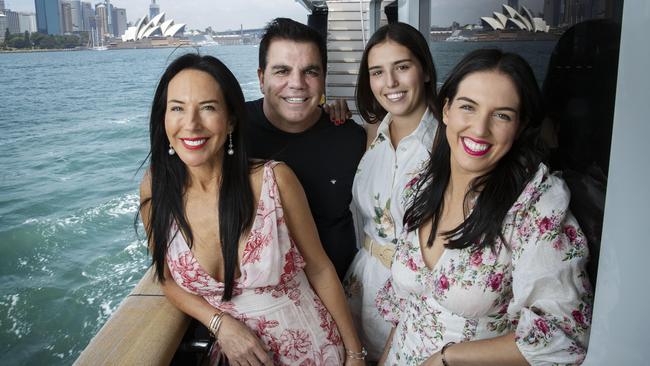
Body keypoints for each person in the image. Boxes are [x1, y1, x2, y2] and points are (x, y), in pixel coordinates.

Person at [138, 53, 365, 365]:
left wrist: (355, 353)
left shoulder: (274, 180)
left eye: (207, 108)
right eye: (177, 108)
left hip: (312, 350)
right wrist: (219, 323)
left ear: (230, 119)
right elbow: (166, 278)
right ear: (163, 118)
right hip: (234, 355)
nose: (190, 124)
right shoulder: (156, 189)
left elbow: (320, 268)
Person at [376, 49, 592, 365]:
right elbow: (405, 309)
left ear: (519, 126)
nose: (479, 129)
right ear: (446, 109)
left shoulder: (535, 206)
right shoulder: (419, 186)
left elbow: (563, 335)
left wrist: (447, 358)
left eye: (501, 115)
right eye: (468, 107)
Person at [342, 22, 439, 361]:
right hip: (363, 283)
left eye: (402, 67)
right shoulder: (373, 134)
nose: (390, 83)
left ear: (424, 70)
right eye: (377, 72)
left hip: (417, 295)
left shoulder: (446, 142)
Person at [245, 18, 366, 280]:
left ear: (324, 78)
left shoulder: (350, 137)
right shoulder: (233, 132)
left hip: (340, 286)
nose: (297, 83)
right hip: (263, 298)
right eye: (282, 71)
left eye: (310, 71)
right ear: (260, 77)